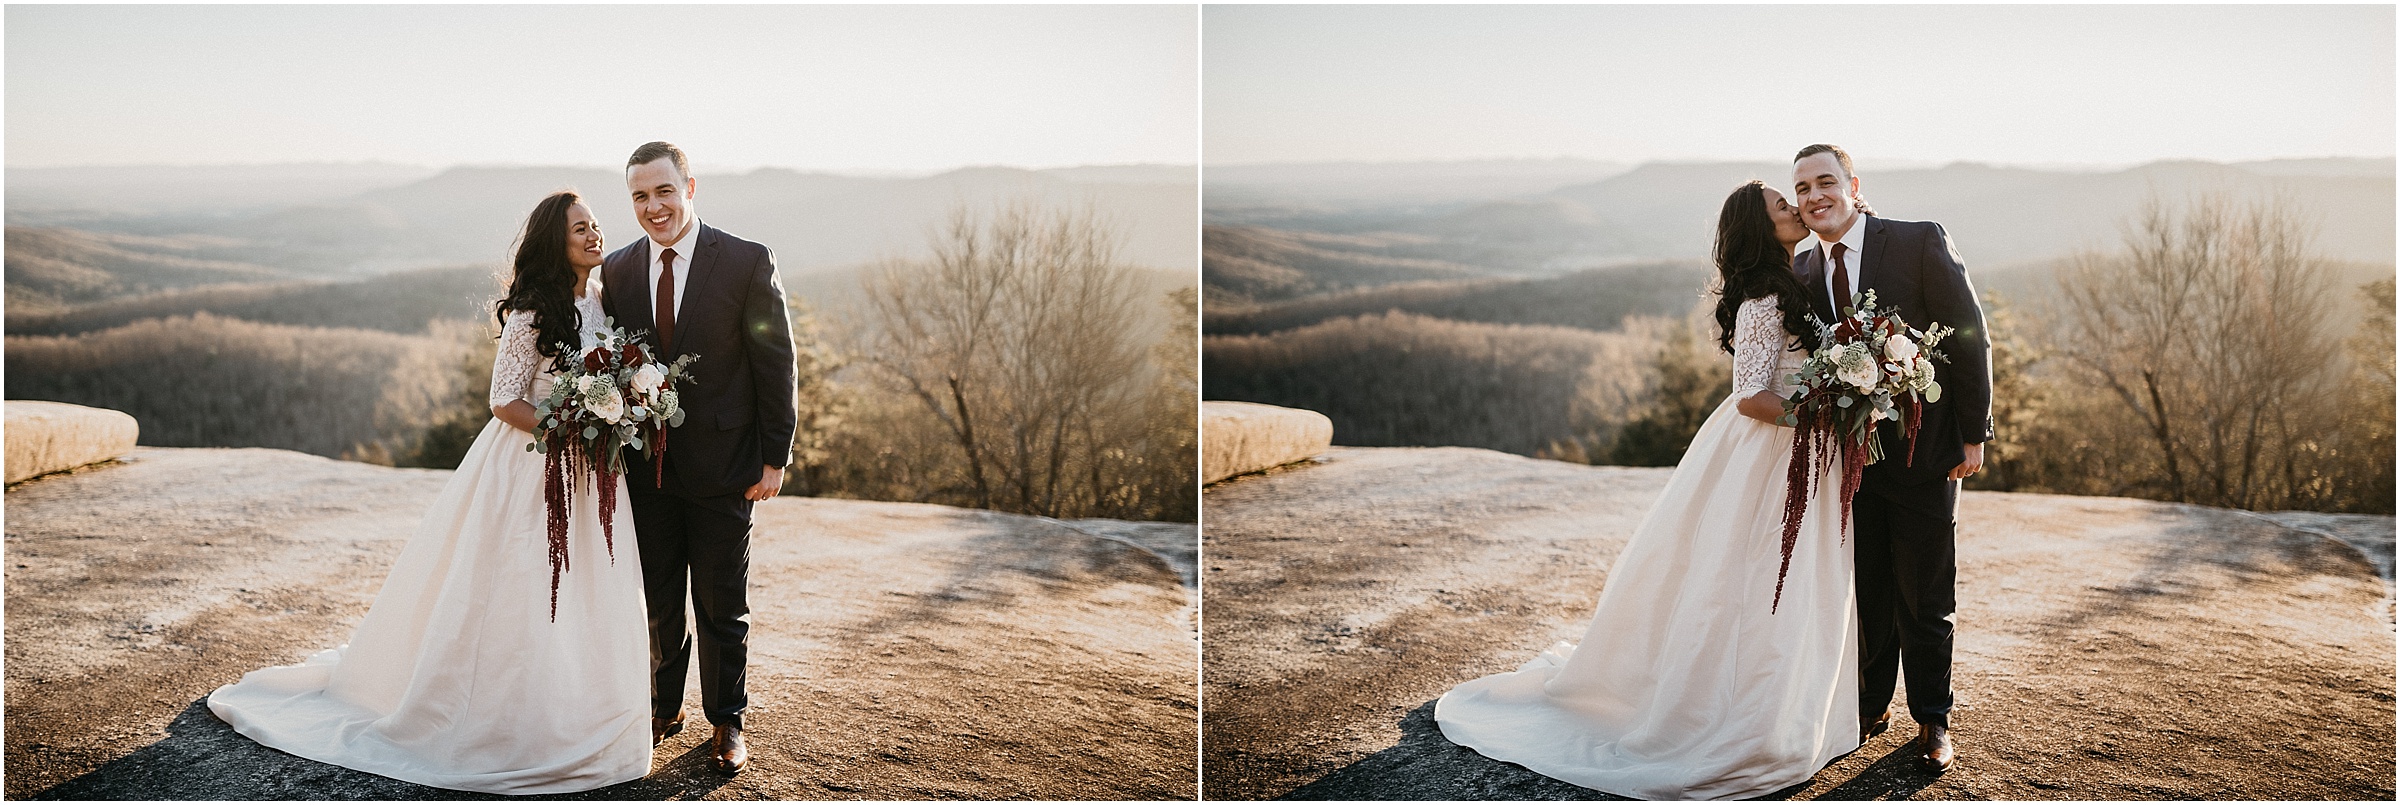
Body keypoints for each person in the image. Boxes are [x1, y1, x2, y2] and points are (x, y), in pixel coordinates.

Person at [207, 191, 653, 794]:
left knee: (587, 589)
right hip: (531, 468)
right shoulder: (530, 314)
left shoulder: (600, 300)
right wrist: (568, 425)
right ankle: (511, 715)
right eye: (580, 229)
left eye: (596, 225)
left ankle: (581, 705)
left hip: (593, 471)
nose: (595, 235)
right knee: (522, 587)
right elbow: (504, 400)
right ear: (557, 242)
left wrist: (621, 407)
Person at [1434, 180, 1859, 799]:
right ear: (1758, 228)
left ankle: (1793, 703)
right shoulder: (1763, 299)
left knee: (1798, 581)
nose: (1795, 210)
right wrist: (1819, 415)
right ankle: (1742, 714)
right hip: (1769, 452)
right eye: (1781, 206)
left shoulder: (1796, 278)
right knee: (1754, 579)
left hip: (1805, 453)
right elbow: (1751, 397)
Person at [1789, 143, 1991, 773]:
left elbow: (1969, 331)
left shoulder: (1917, 240)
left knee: (1925, 596)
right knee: (1869, 591)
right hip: (1850, 463)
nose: (1815, 197)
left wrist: (1974, 433)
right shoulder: (1800, 269)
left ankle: (1933, 720)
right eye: (1802, 190)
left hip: (1926, 455)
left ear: (1852, 184)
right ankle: (1869, 707)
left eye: (1825, 182)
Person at [599, 141, 798, 775]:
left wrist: (775, 458)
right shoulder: (621, 270)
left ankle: (726, 721)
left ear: (691, 186)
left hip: (726, 468)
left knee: (721, 604)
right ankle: (663, 706)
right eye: (638, 196)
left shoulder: (745, 261)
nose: (652, 207)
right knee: (660, 599)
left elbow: (776, 364)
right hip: (647, 472)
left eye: (662, 191)